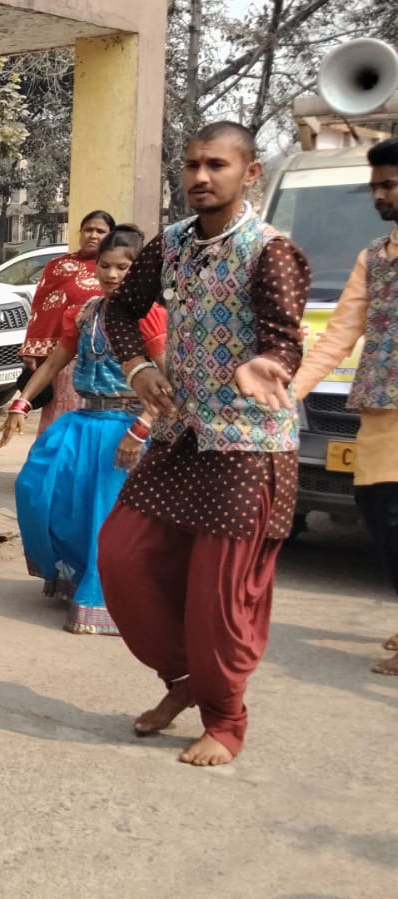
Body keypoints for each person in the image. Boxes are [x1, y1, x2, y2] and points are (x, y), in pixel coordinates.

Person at [97, 121, 309, 767]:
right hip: (180, 434)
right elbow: (118, 309)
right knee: (121, 557)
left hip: (247, 445)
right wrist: (138, 366)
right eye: (191, 164)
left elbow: (284, 339)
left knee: (218, 596)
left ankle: (225, 718)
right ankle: (185, 678)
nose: (199, 176)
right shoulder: (170, 244)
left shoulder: (271, 250)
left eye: (216, 164)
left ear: (250, 173)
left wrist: (267, 363)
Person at [0, 225, 166, 634]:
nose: (112, 274)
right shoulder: (86, 312)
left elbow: (170, 381)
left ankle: (106, 597)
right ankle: (71, 571)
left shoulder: (149, 315)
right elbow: (55, 362)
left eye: (123, 267)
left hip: (127, 425)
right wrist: (21, 402)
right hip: (82, 421)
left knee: (103, 516)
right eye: (105, 266)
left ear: (138, 271)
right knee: (38, 489)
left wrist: (142, 428)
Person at [292, 136, 398, 676]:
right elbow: (337, 336)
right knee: (377, 512)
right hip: (379, 412)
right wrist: (289, 393)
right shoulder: (373, 258)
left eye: (390, 185)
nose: (379, 195)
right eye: (376, 186)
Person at [19, 210, 116, 432]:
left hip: (107, 363)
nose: (93, 235)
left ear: (111, 235)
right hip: (64, 359)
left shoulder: (116, 270)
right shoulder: (58, 266)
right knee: (61, 419)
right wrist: (33, 349)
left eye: (100, 231)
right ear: (80, 233)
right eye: (88, 230)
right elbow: (42, 309)